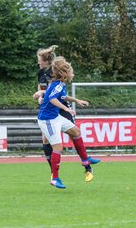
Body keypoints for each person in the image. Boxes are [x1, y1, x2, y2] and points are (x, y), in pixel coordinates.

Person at [37, 56, 101, 189]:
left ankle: (85, 160)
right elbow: (53, 99)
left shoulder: (61, 84)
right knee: (58, 148)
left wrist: (77, 101)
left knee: (76, 132)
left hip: (54, 117)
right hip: (47, 120)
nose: (73, 74)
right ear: (64, 73)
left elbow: (62, 97)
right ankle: (55, 178)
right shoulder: (57, 85)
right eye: (71, 71)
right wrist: (66, 108)